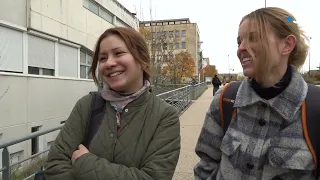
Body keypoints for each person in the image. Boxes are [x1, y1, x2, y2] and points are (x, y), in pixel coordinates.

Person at [194, 7, 318, 180]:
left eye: (254, 38)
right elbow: (206, 168)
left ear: (287, 45)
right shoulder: (225, 99)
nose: (241, 49)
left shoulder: (315, 110)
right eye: (239, 42)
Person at [44, 27, 181, 180]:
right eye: (102, 58)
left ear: (141, 58)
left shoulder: (164, 116)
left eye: (119, 53)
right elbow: (55, 164)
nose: (109, 63)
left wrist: (84, 162)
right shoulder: (87, 106)